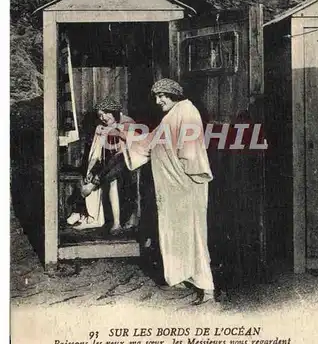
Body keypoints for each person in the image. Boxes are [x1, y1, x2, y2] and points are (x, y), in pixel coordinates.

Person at [120, 78, 215, 305]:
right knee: (175, 233)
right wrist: (127, 137)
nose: (158, 100)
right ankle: (181, 277)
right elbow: (150, 142)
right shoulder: (170, 116)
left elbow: (191, 151)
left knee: (193, 235)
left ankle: (208, 290)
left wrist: (190, 179)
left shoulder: (187, 112)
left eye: (163, 95)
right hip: (172, 189)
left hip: (186, 187)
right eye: (155, 96)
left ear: (175, 95)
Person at [72, 96, 137, 234]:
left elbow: (128, 147)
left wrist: (114, 129)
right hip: (113, 166)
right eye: (100, 115)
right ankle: (116, 224)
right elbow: (102, 154)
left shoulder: (127, 121)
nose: (103, 117)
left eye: (105, 114)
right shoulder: (105, 127)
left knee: (117, 160)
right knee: (112, 176)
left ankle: (93, 185)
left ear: (112, 111)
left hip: (131, 162)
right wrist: (92, 170)